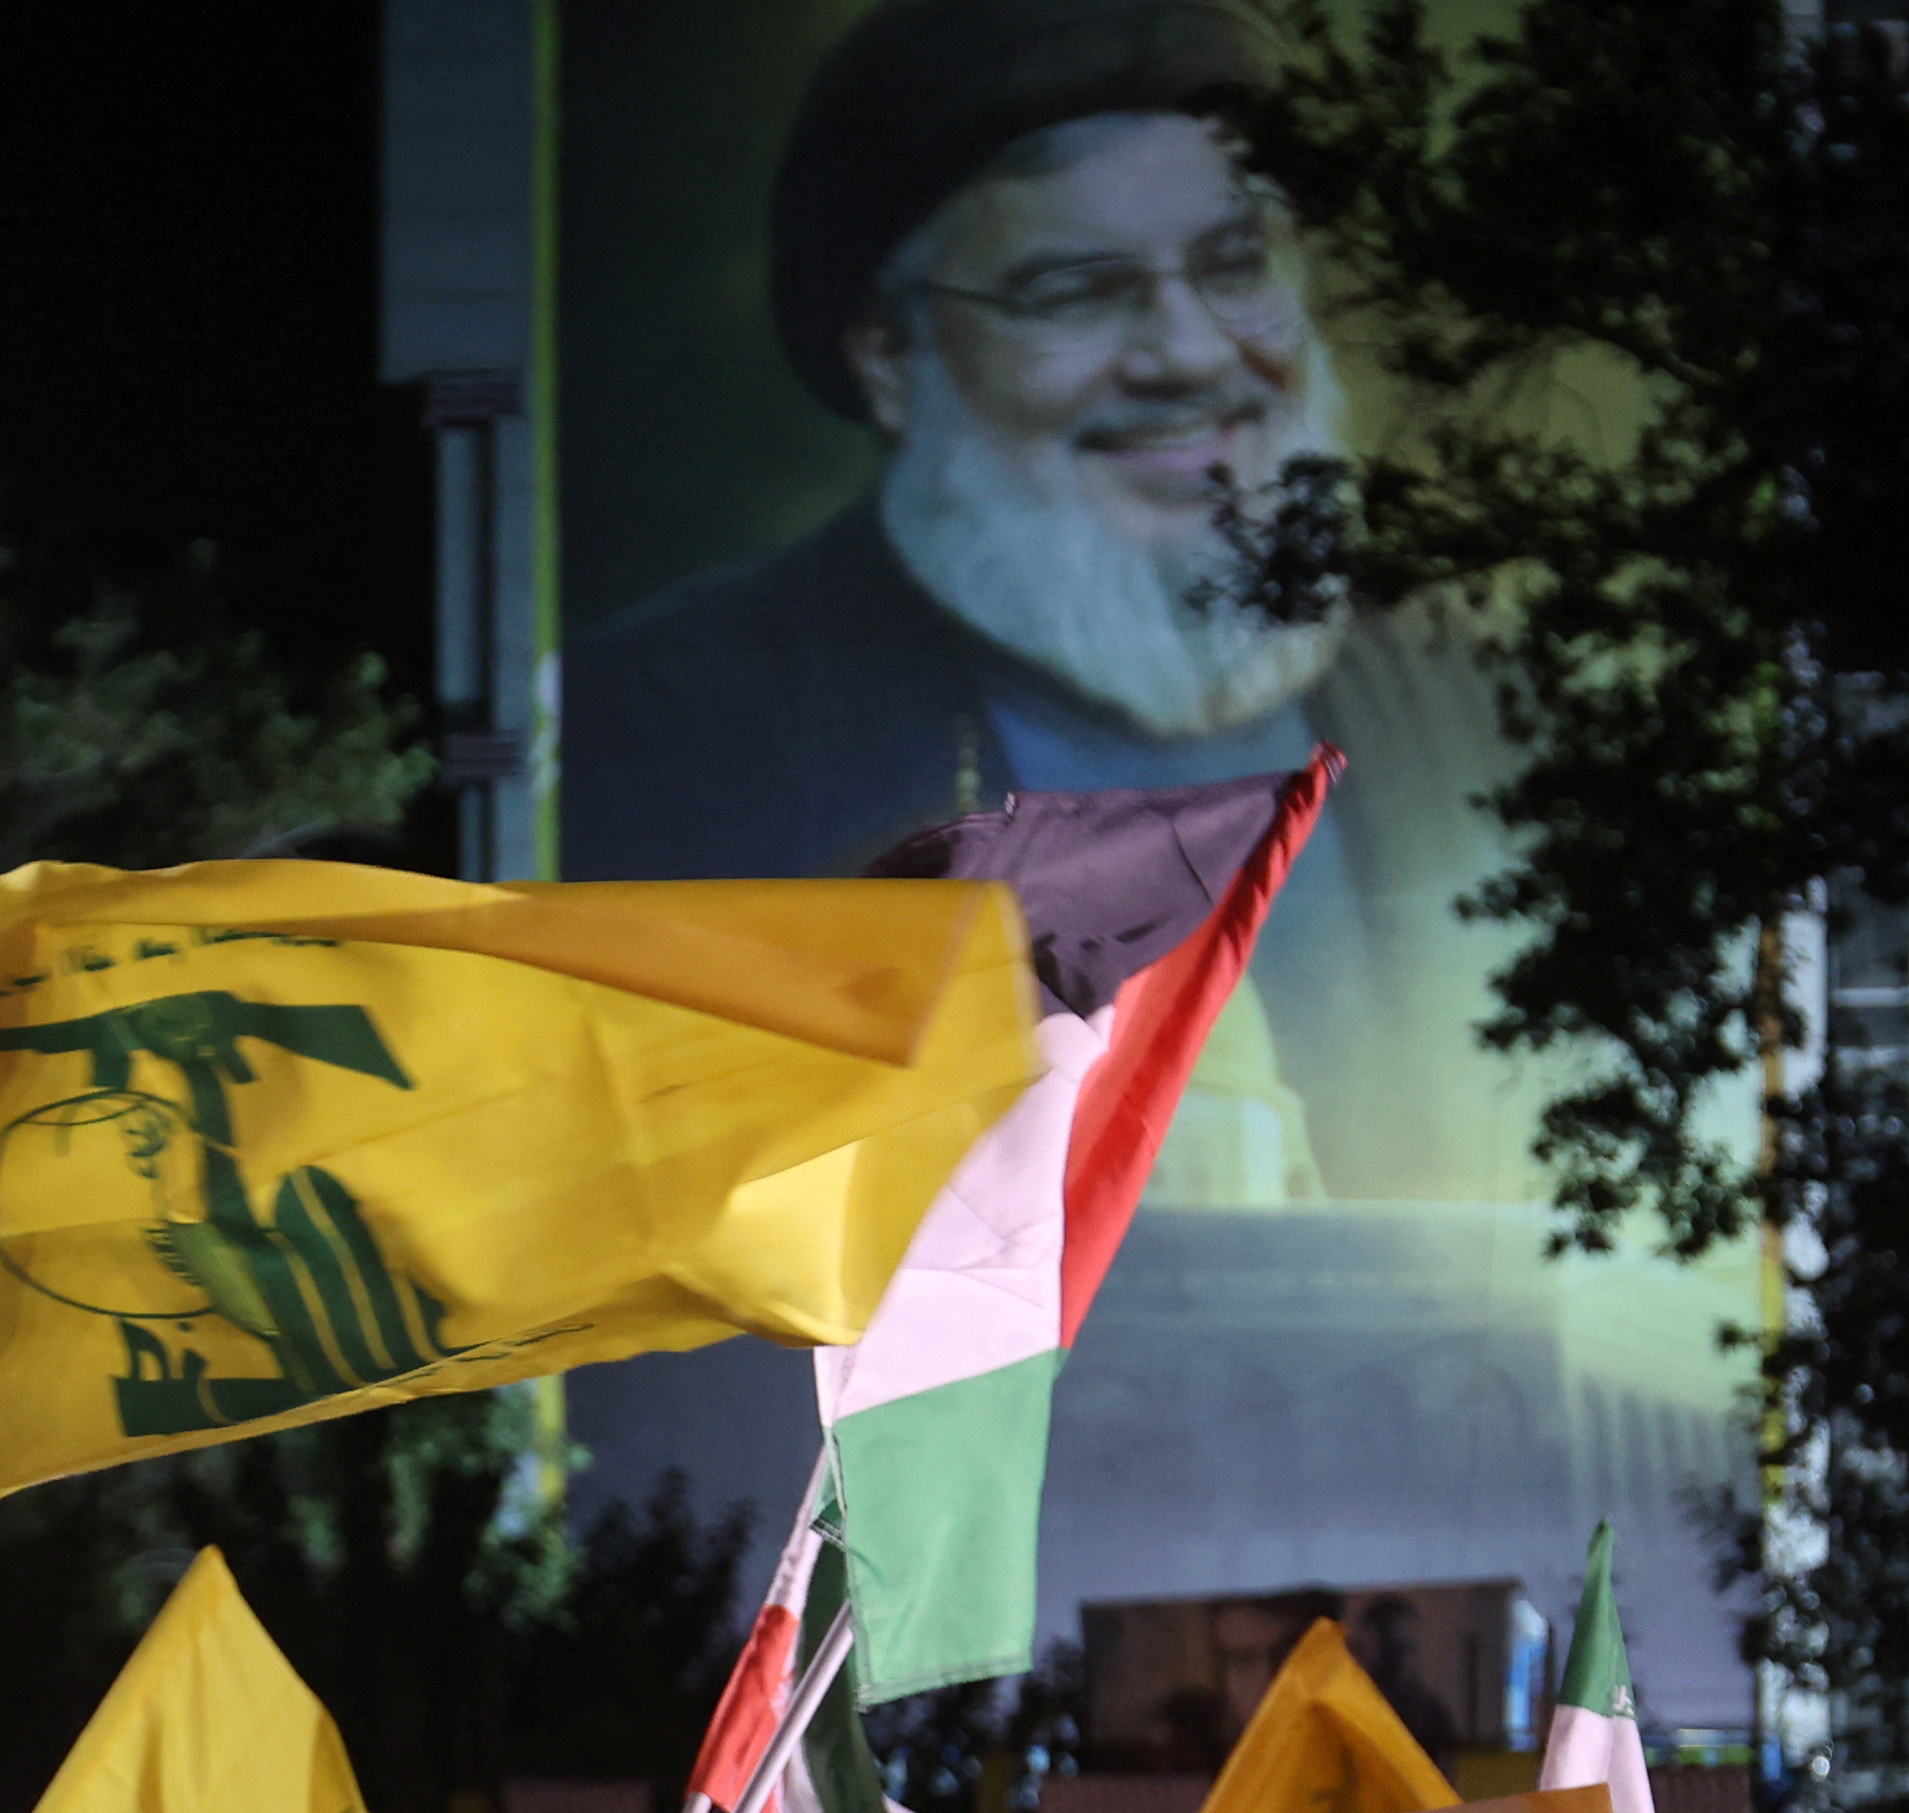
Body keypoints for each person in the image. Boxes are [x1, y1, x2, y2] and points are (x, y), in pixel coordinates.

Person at [563, 0, 1527, 1205]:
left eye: (1236, 265)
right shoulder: (655, 745)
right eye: (1076, 291)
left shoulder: (1481, 696)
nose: (1189, 353)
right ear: (888, 356)